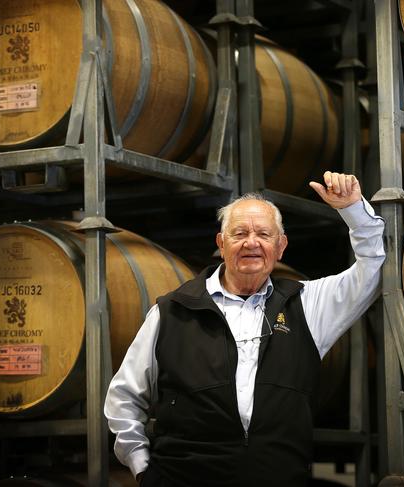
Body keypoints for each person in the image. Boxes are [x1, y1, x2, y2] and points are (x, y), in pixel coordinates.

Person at [104, 171, 385, 487]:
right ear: (221, 244)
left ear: (281, 247)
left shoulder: (306, 304)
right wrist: (142, 470)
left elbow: (372, 272)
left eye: (264, 235)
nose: (251, 243)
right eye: (239, 234)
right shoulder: (171, 311)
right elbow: (123, 400)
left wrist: (353, 211)